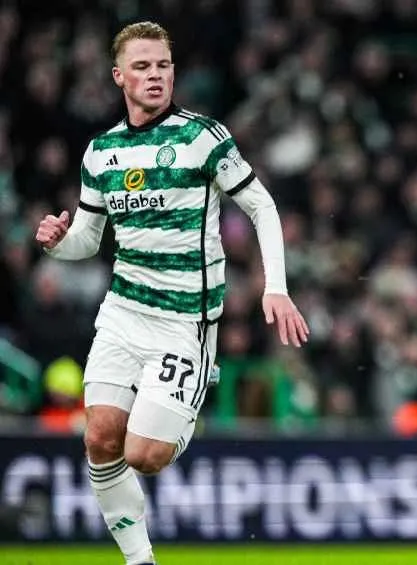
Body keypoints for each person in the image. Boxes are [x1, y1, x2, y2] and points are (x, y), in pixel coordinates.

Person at [34, 21, 309, 565]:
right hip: (121, 314)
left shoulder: (202, 137)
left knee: (145, 454)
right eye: (141, 66)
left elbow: (261, 206)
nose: (154, 75)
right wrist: (58, 243)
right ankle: (142, 561)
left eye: (162, 65)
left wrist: (274, 287)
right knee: (100, 439)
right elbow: (88, 241)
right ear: (119, 77)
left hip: (184, 324)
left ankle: (191, 396)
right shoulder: (101, 152)